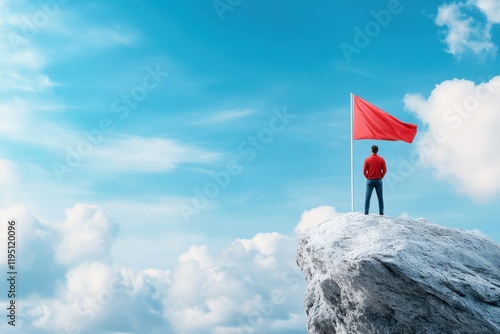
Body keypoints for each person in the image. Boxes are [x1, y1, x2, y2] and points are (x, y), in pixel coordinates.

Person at [363, 145, 386, 215]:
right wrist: (381, 176)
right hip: (378, 180)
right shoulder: (381, 159)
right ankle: (381, 213)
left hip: (370, 180)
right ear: (377, 151)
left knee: (367, 197)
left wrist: (368, 177)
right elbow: (384, 170)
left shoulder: (367, 159)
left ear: (371, 150)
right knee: (380, 197)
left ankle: (366, 212)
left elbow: (364, 171)